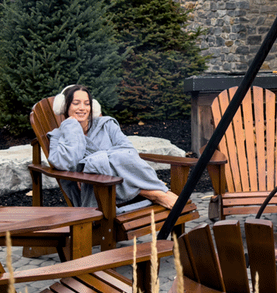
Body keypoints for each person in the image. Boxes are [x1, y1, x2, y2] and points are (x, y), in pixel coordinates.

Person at [47, 84, 179, 209]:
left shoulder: (106, 125)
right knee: (100, 164)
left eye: (87, 104)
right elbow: (65, 163)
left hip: (118, 189)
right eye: (76, 103)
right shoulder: (58, 136)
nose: (82, 108)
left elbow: (128, 152)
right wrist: (72, 128)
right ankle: (154, 193)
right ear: (64, 106)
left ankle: (152, 194)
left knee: (110, 160)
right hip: (96, 193)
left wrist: (92, 163)